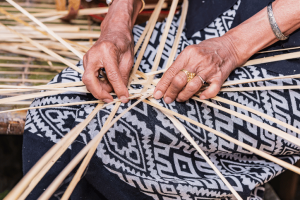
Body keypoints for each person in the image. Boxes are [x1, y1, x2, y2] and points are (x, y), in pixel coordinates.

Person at [23, 0, 300, 199]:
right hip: (199, 22)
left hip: (283, 52)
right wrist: (118, 20)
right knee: (57, 108)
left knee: (119, 129)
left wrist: (231, 46)